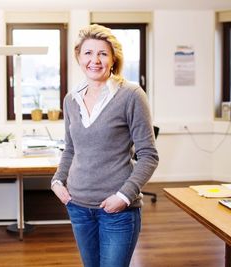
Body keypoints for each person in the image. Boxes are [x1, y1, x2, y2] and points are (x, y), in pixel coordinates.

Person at [51, 24, 159, 267]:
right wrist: (57, 181)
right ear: (79, 57)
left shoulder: (131, 95)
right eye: (88, 53)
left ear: (113, 59)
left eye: (102, 53)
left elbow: (149, 155)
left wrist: (123, 196)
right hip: (78, 206)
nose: (95, 60)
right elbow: (70, 148)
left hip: (117, 210)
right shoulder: (71, 98)